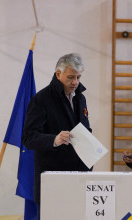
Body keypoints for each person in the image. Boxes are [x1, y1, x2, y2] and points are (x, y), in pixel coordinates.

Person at [22, 53, 92, 218]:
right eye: (70, 77)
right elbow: (28, 137)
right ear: (58, 74)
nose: (75, 82)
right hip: (52, 178)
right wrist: (54, 139)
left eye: (78, 77)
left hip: (80, 176)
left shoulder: (80, 98)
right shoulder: (41, 99)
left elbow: (84, 130)